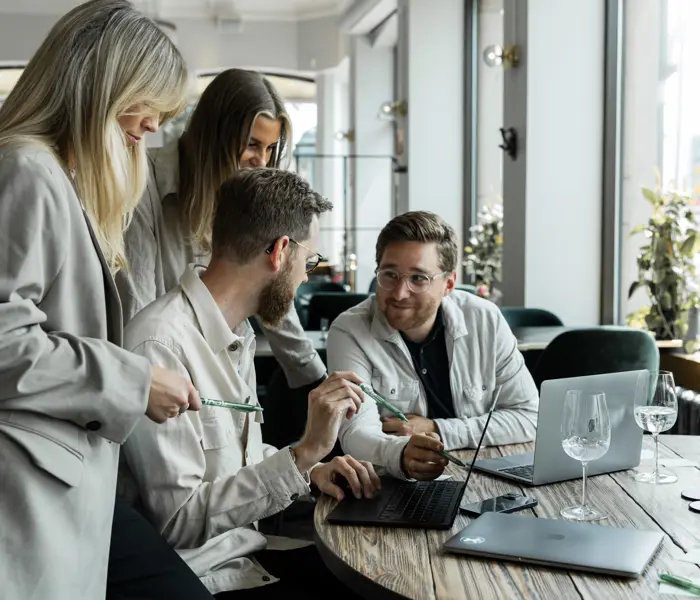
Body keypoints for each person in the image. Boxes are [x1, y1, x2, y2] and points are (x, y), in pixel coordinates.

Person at [0, 2, 213, 599]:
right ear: (104, 83)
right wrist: (135, 380)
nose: (151, 128)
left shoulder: (54, 175)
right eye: (147, 105)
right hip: (29, 487)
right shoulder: (29, 171)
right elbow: (4, 344)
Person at [120, 168, 378, 599]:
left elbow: (239, 460)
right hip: (207, 577)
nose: (304, 278)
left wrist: (312, 471)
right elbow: (178, 520)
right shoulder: (160, 343)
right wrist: (304, 453)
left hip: (250, 554)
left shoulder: (238, 333)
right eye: (309, 261)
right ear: (280, 252)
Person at [116, 68, 326, 392]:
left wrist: (314, 378)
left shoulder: (244, 197)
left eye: (270, 149)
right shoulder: (144, 181)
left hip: (222, 372)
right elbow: (139, 305)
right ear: (215, 135)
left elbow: (274, 281)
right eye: (252, 144)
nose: (262, 161)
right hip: (160, 373)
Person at [327, 211, 539, 481]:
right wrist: (402, 453)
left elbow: (530, 417)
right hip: (395, 484)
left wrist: (438, 430)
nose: (400, 293)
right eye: (390, 274)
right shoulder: (349, 330)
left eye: (418, 278)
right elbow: (355, 433)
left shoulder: (485, 319)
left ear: (448, 284)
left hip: (488, 476)